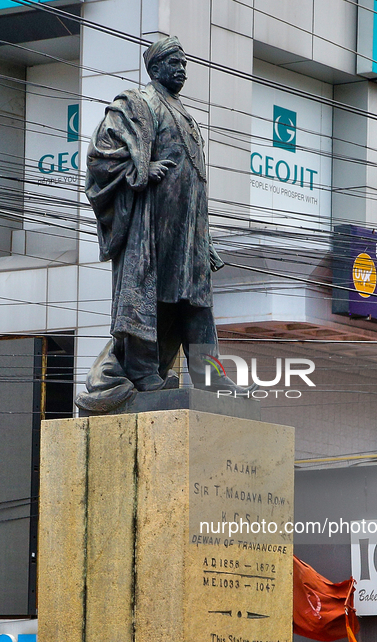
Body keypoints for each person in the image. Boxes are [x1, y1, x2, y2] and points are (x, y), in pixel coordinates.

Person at [76, 36, 244, 413]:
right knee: (149, 301)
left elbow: (194, 182)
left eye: (184, 63)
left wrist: (205, 237)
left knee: (198, 304)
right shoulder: (137, 103)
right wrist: (139, 169)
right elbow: (100, 155)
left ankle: (209, 374)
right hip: (151, 227)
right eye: (174, 63)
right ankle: (141, 373)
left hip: (189, 232)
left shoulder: (186, 114)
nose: (181, 70)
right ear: (154, 68)